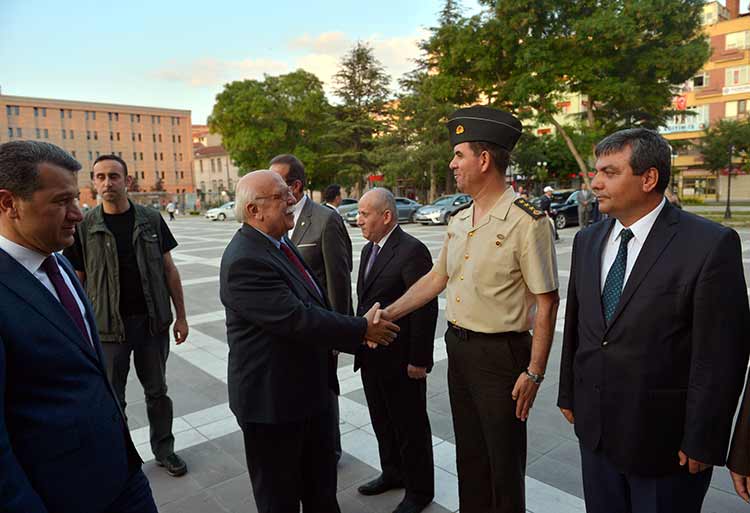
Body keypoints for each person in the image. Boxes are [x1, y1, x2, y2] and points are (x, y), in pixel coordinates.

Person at [375, 105, 559, 513]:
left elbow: (547, 301)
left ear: (484, 159)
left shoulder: (527, 222)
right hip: (458, 348)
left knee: (503, 462)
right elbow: (436, 278)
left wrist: (535, 371)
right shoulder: (460, 219)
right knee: (470, 457)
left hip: (501, 355)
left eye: (459, 154)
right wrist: (389, 313)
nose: (452, 163)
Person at [557, 128, 750, 513]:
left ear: (648, 179)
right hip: (596, 433)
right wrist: (568, 392)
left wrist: (703, 438)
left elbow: (722, 354)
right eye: (595, 172)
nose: (595, 183)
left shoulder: (709, 244)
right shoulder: (588, 240)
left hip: (666, 444)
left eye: (610, 173)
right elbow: (579, 325)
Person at [219, 170, 400, 513]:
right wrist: (362, 329)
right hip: (273, 405)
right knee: (280, 499)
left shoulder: (277, 242)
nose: (292, 201)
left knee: (321, 491)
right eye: (280, 196)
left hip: (306, 395)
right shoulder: (245, 259)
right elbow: (297, 319)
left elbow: (313, 302)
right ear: (254, 211)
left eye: (289, 192)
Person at [0, 141, 157, 513]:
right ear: (8, 203)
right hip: (63, 496)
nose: (78, 213)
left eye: (77, 198)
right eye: (60, 201)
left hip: (124, 474)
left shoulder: (61, 263)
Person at [63, 154, 189, 477]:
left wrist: (182, 316)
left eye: (114, 176)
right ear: (93, 182)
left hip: (151, 325)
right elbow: (76, 280)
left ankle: (165, 450)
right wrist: (75, 327)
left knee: (157, 393)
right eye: (100, 177)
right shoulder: (85, 226)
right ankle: (121, 456)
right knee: (112, 398)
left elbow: (169, 270)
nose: (107, 183)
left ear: (127, 181)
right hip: (107, 330)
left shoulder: (150, 218)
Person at [354, 188, 438, 513]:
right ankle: (392, 472)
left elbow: (424, 307)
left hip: (402, 360)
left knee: (410, 426)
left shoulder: (412, 251)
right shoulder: (367, 250)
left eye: (365, 214)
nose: (358, 220)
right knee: (382, 421)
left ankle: (419, 490)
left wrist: (419, 360)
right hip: (372, 356)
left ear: (386, 216)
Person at [270, 154, 353, 461]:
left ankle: (331, 448)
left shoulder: (325, 219)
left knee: (325, 391)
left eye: (278, 182)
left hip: (321, 326)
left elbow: (339, 279)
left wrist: (339, 331)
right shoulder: (275, 218)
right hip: (293, 326)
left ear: (296, 185)